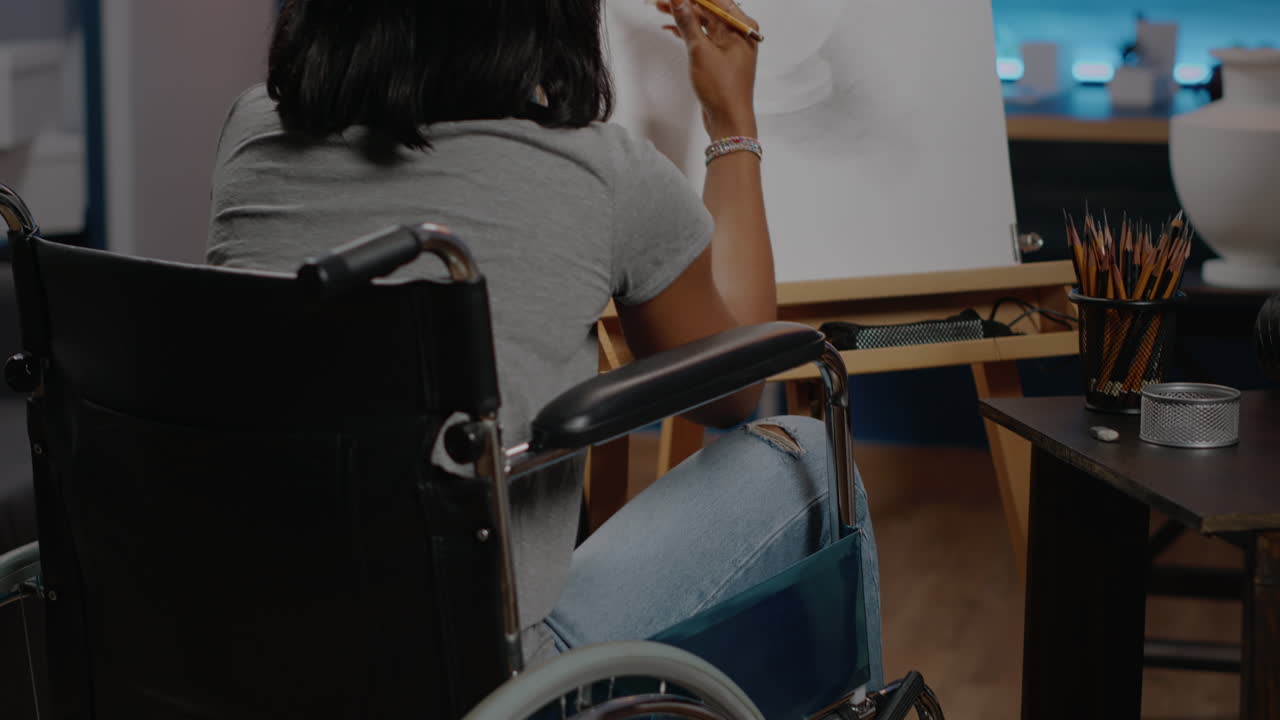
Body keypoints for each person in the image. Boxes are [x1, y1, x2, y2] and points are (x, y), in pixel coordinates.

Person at [207, 0, 881, 687]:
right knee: (812, 458)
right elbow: (735, 387)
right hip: (479, 675)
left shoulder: (250, 131)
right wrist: (732, 122)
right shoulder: (596, 168)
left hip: (253, 651)